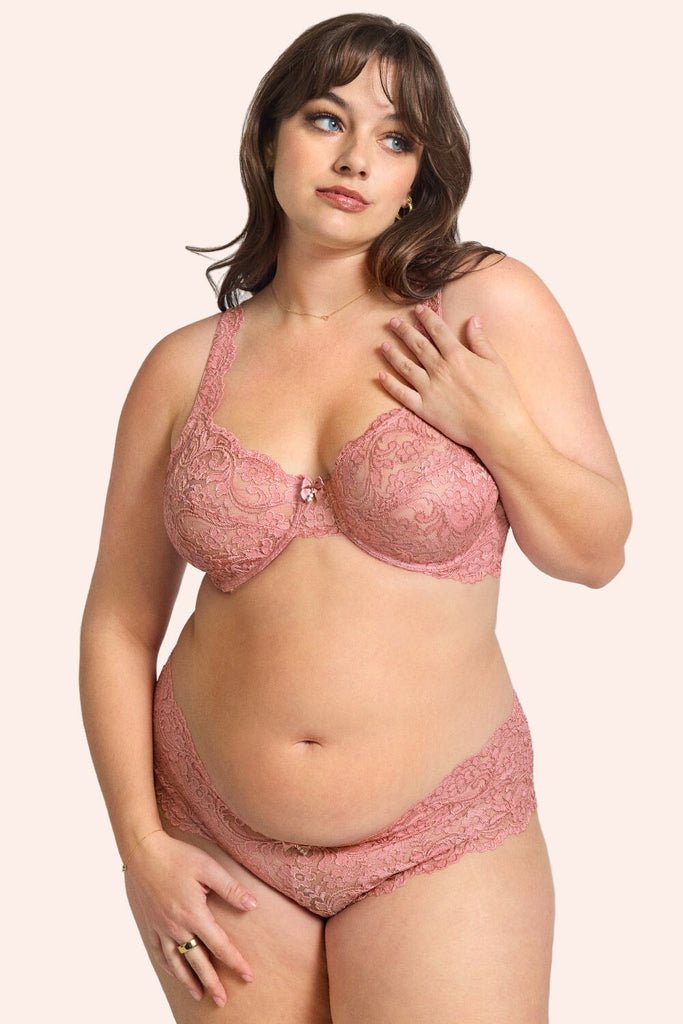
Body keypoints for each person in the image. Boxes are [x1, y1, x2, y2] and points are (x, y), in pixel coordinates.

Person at [80, 12, 631, 1023]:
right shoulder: (180, 367)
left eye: (394, 136)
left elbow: (595, 552)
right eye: (325, 119)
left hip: (441, 834)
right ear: (269, 141)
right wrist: (141, 847)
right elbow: (118, 622)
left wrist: (496, 426)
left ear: (418, 174)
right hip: (212, 832)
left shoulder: (484, 306)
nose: (354, 159)